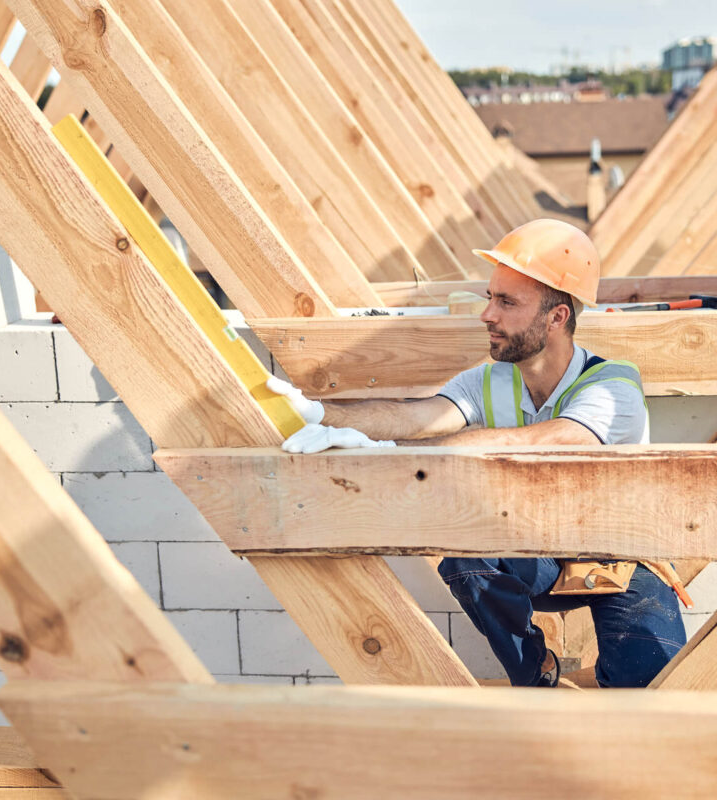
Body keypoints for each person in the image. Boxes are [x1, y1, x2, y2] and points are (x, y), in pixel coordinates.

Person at [269, 218, 687, 688]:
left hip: (622, 562)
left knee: (649, 689)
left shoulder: (613, 386)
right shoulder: (488, 379)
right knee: (468, 556)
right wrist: (319, 415)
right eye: (491, 297)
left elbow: (550, 441)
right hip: (539, 554)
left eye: (506, 302)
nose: (487, 314)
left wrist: (394, 451)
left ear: (557, 317)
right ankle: (536, 673)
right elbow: (416, 417)